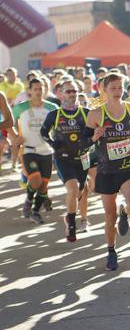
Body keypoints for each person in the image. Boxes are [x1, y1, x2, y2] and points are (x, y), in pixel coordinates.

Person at [84, 73, 130, 271]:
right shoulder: (96, 114)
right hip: (106, 170)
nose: (118, 92)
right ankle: (111, 252)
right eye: (113, 88)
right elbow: (85, 143)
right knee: (109, 217)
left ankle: (125, 213)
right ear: (104, 90)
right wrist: (94, 137)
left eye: (120, 88)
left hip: (128, 167)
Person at [40, 80, 89, 241]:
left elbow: (96, 132)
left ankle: (70, 217)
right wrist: (54, 144)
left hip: (82, 158)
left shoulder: (86, 113)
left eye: (74, 91)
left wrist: (90, 142)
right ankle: (72, 223)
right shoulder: (54, 115)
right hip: (63, 158)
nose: (72, 94)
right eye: (68, 91)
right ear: (61, 94)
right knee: (73, 188)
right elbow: (43, 132)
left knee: (80, 191)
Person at [12, 78, 58, 224]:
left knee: (44, 185)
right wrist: (15, 137)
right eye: (36, 89)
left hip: (47, 150)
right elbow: (8, 123)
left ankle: (35, 211)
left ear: (45, 90)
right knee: (36, 180)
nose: (38, 92)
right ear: (29, 91)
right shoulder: (20, 108)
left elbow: (58, 128)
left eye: (41, 88)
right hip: (29, 150)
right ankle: (28, 202)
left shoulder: (52, 108)